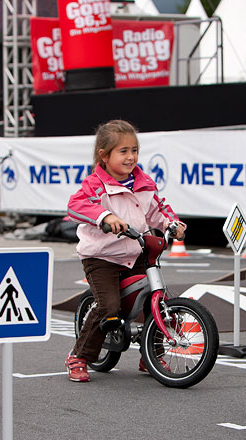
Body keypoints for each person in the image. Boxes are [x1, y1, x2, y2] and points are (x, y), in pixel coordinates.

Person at [66, 120, 185, 382]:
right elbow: (75, 206)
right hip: (102, 257)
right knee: (109, 306)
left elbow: (158, 209)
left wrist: (172, 224)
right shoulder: (95, 184)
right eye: (123, 151)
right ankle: (79, 356)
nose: (131, 157)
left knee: (159, 300)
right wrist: (105, 217)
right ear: (104, 156)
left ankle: (151, 355)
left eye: (134, 150)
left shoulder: (144, 182)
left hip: (136, 250)